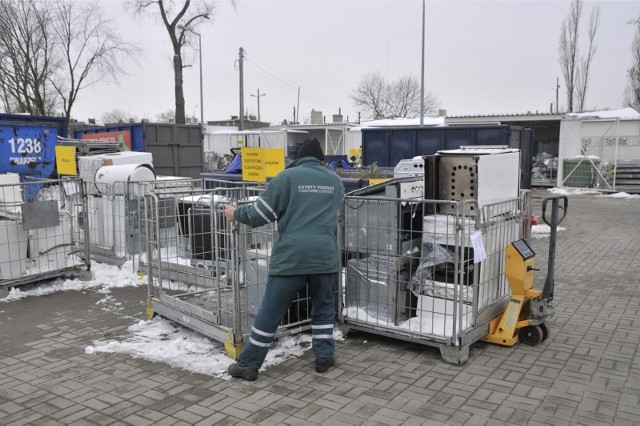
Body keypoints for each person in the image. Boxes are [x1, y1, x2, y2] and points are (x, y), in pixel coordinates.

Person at [224, 138, 345, 381]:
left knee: (270, 311)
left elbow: (260, 214)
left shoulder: (286, 178)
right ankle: (323, 357)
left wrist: (235, 213)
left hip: (292, 256)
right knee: (323, 308)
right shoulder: (335, 181)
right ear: (321, 160)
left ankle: (248, 364)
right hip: (325, 256)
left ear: (298, 158)